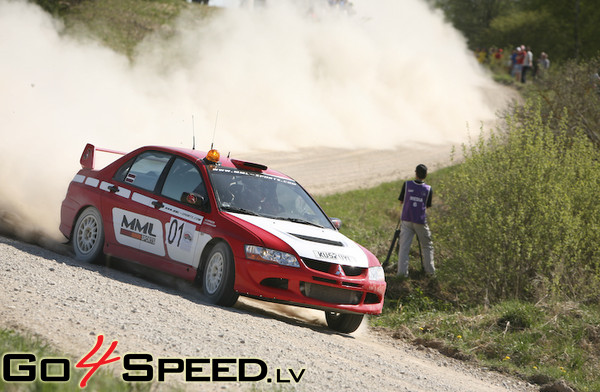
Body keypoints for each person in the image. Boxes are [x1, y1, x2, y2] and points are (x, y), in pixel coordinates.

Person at [397, 164, 435, 277]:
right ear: (426, 175)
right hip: (420, 221)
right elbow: (427, 206)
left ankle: (402, 274)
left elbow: (401, 202)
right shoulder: (428, 189)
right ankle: (430, 273)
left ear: (415, 173)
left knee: (404, 247)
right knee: (427, 246)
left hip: (406, 219)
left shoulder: (407, 185)